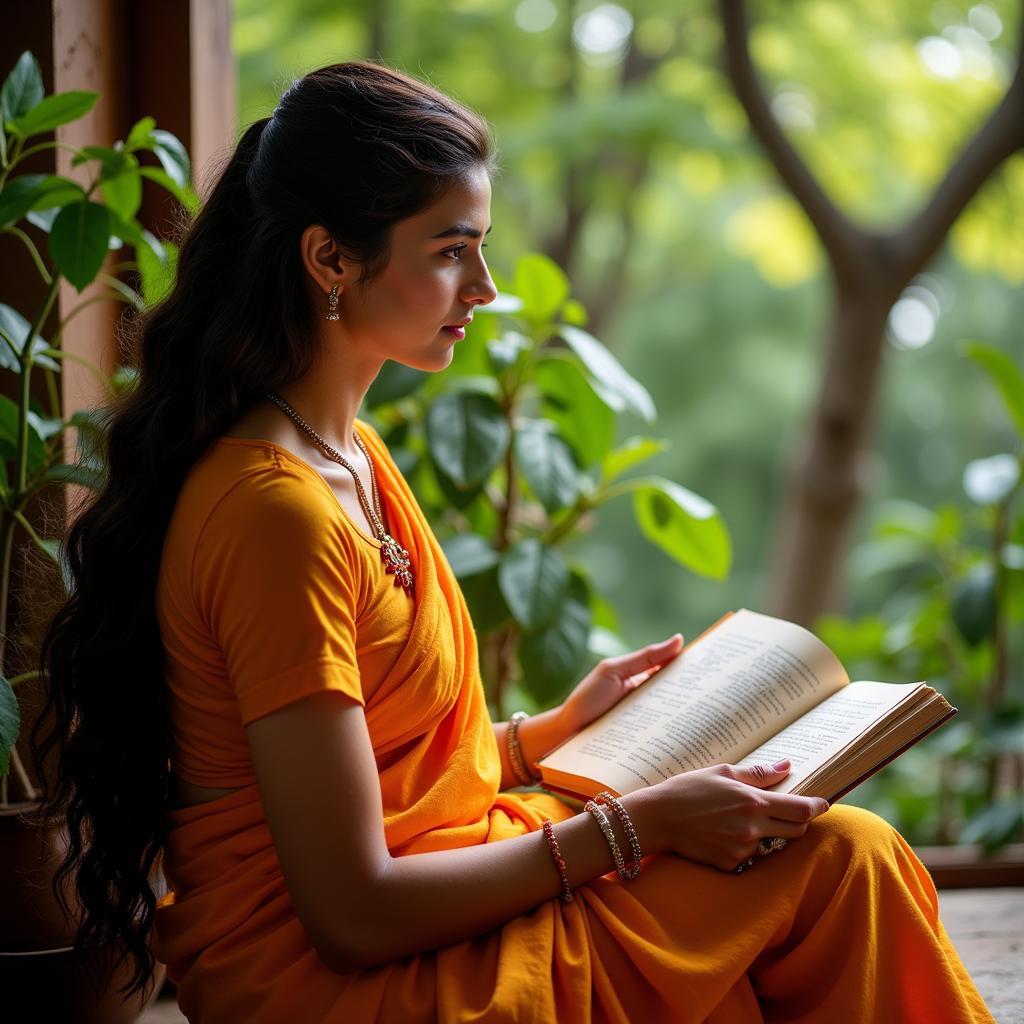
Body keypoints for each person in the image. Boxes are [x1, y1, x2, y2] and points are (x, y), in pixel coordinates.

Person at [32, 61, 995, 1024]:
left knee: (815, 858)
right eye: (451, 251)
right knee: (842, 865)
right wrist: (638, 824)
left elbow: (382, 779)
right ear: (328, 258)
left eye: (481, 248)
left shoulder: (349, 452)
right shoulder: (274, 512)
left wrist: (547, 736)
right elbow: (352, 912)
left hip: (429, 890)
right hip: (334, 980)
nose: (485, 288)